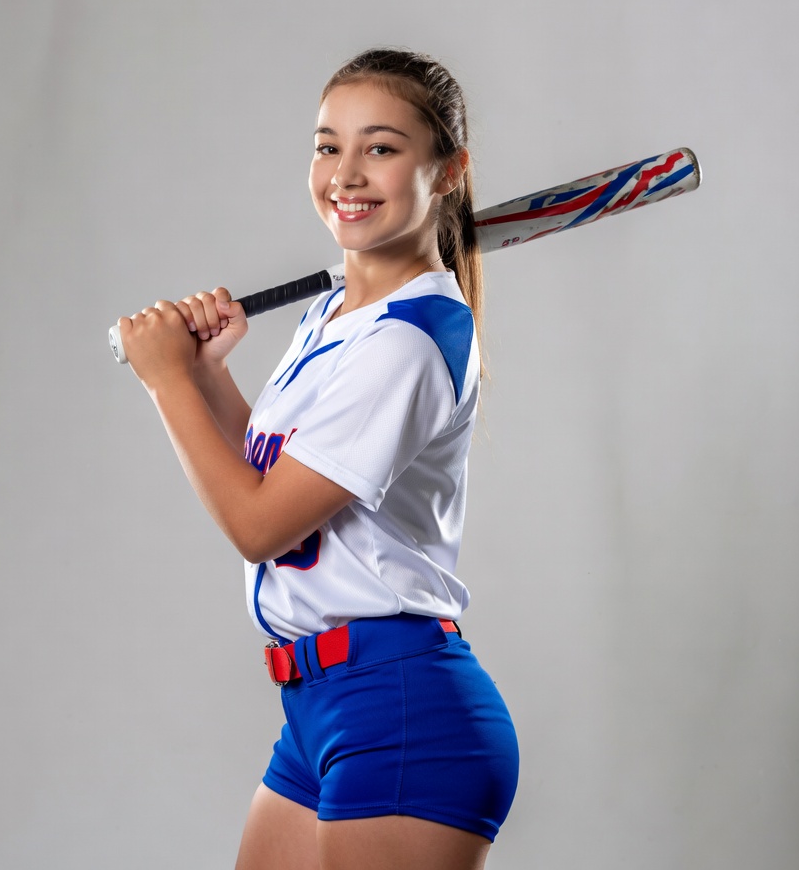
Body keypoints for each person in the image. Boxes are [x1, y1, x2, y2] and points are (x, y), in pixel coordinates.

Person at [117, 48, 519, 870]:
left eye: (381, 147)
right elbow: (278, 481)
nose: (346, 173)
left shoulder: (408, 341)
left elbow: (259, 526)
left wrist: (169, 387)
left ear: (447, 172)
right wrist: (207, 376)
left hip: (400, 712)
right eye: (327, 145)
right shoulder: (336, 314)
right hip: (319, 709)